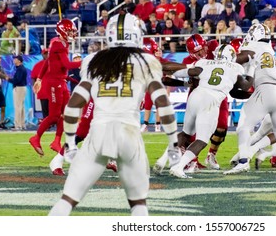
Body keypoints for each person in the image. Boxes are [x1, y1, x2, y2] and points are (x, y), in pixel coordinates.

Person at [48, 13, 181, 216]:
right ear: (136, 34)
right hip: (129, 134)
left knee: (67, 201)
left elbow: (74, 104)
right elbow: (162, 103)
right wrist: (173, 144)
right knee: (138, 205)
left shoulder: (93, 60)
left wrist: (70, 143)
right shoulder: (146, 61)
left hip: (98, 133)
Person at [224, 23, 276, 175]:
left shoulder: (252, 46)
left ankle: (244, 161)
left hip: (265, 89)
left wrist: (224, 61)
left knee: (243, 127)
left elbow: (240, 58)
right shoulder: (269, 49)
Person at [169, 44, 252, 178]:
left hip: (195, 95)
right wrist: (251, 69)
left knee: (185, 133)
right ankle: (179, 167)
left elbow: (184, 72)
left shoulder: (205, 62)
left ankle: (172, 160)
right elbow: (246, 86)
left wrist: (167, 69)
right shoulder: (235, 68)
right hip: (210, 100)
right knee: (202, 139)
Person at [29, 19, 82, 157]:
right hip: (55, 83)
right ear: (63, 31)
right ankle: (36, 138)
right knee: (53, 116)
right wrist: (86, 62)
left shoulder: (60, 42)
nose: (72, 33)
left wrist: (40, 78)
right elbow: (67, 64)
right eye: (70, 31)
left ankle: (56, 141)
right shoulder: (58, 44)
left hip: (61, 81)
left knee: (66, 113)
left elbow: (48, 62)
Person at [6, 55, 27, 130]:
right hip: (22, 88)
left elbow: (17, 80)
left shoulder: (20, 69)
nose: (14, 60)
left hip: (19, 88)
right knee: (21, 107)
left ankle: (18, 125)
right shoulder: (21, 68)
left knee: (18, 107)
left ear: (19, 60)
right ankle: (22, 124)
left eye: (15, 59)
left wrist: (9, 79)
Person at [30, 48, 49, 120]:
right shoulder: (38, 65)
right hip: (43, 91)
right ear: (42, 54)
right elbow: (33, 77)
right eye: (45, 53)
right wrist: (35, 87)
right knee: (45, 109)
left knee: (54, 110)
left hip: (53, 91)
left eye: (48, 53)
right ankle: (47, 124)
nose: (47, 55)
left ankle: (54, 124)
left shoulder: (54, 64)